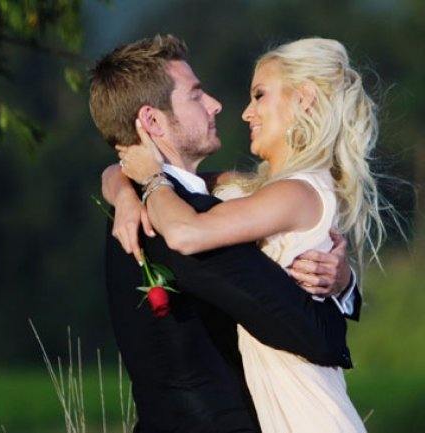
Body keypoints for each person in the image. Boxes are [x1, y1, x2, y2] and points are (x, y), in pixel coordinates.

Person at [90, 34, 360, 433]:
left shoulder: (157, 203)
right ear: (152, 122)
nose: (216, 105)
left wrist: (344, 282)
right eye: (196, 95)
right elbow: (314, 334)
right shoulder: (173, 218)